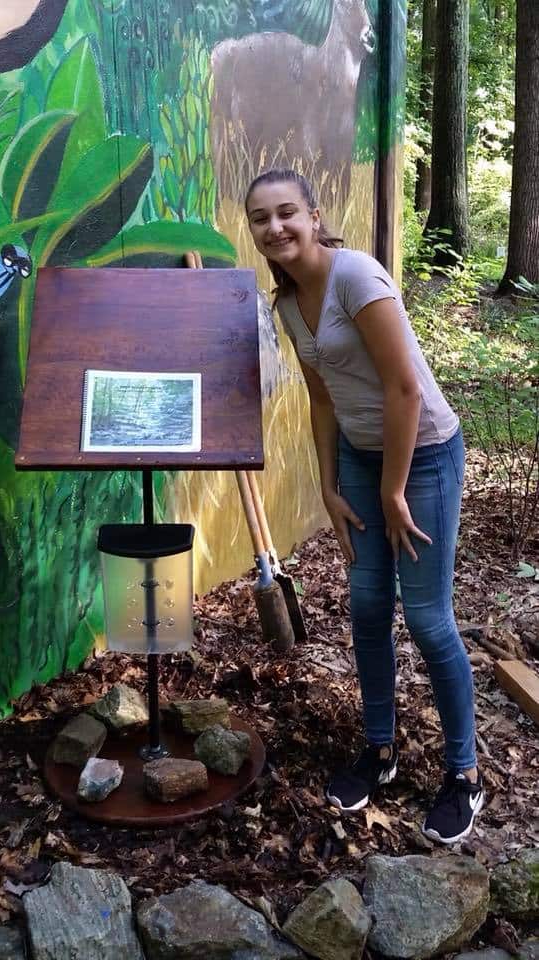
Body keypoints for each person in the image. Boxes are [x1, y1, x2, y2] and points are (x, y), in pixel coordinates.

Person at [244, 167, 484, 845]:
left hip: (424, 456)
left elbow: (404, 390)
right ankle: (379, 750)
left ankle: (464, 774)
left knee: (431, 621)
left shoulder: (357, 278)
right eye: (261, 218)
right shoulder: (288, 302)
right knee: (368, 606)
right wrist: (328, 483)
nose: (276, 228)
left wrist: (392, 490)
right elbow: (322, 398)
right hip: (359, 458)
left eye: (287, 212)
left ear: (314, 216)